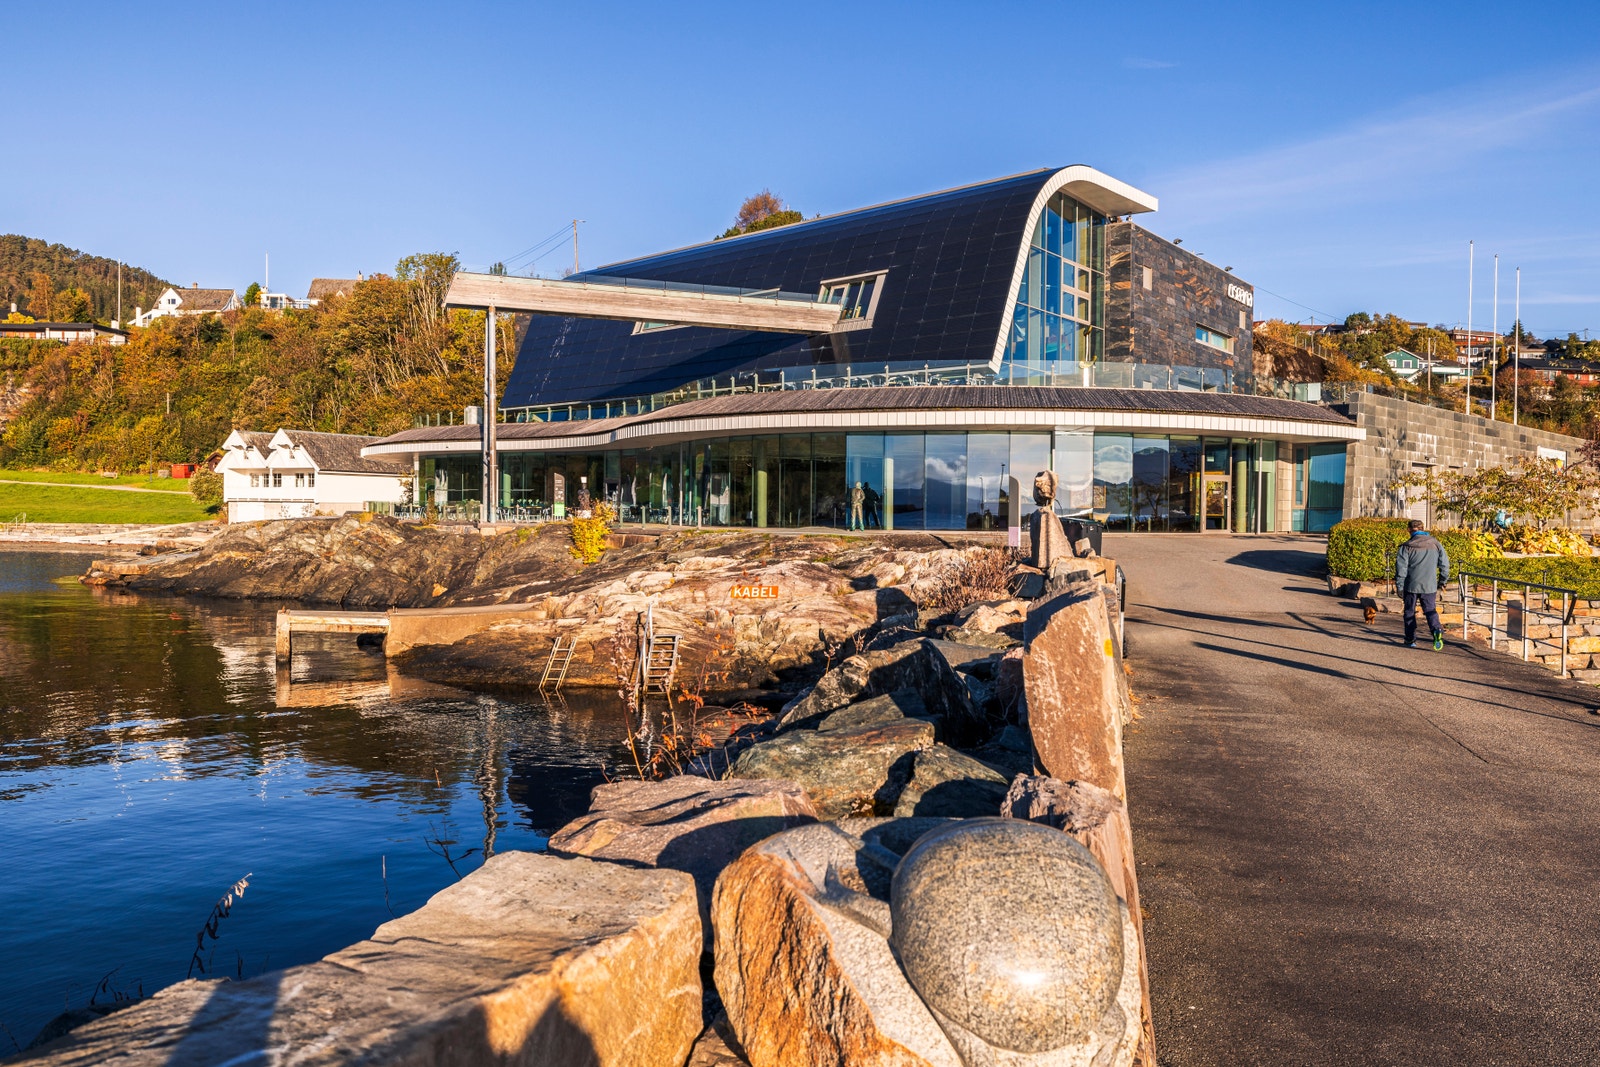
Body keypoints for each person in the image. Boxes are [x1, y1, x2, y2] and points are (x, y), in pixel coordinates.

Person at [1395, 518, 1451, 650]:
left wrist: (1399, 586)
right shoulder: (1436, 544)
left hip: (1411, 585)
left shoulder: (1406, 546)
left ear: (1409, 530)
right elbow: (1445, 565)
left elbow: (1401, 568)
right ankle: (1436, 630)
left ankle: (1410, 640)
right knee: (1430, 610)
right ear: (1423, 528)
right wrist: (1443, 581)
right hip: (1429, 585)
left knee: (1409, 612)